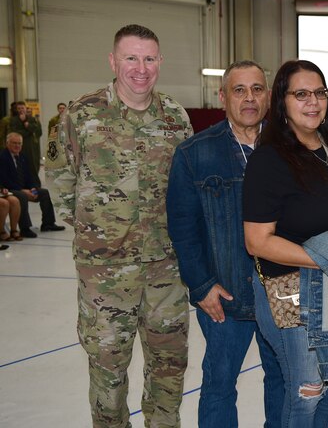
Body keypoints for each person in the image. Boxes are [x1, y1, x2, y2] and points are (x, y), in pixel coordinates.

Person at [48, 24, 191, 427]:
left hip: (166, 270)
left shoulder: (176, 117)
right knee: (108, 376)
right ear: (113, 61)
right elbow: (60, 179)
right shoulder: (82, 114)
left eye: (149, 59)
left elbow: (186, 188)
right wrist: (96, 232)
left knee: (169, 368)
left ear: (160, 62)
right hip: (106, 275)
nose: (140, 69)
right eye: (131, 58)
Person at [243, 59, 328, 427]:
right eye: (301, 94)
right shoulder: (269, 159)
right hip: (291, 288)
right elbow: (257, 241)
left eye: (319, 93)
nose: (312, 102)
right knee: (307, 387)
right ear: (281, 100)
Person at [166, 60, 284, 427]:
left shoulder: (290, 149)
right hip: (224, 298)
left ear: (268, 96)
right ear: (223, 98)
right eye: (239, 90)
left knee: (282, 381)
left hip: (281, 295)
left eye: (257, 89)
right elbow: (183, 228)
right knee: (219, 384)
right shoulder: (194, 154)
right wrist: (201, 286)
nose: (249, 98)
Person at [0, 132, 64, 238]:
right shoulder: (3, 157)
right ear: (7, 143)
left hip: (24, 188)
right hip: (10, 189)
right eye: (14, 143)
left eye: (19, 143)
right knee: (22, 196)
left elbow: (30, 176)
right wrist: (22, 190)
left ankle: (48, 223)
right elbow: (4, 179)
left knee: (44, 193)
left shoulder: (23, 156)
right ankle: (25, 228)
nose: (17, 146)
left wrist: (33, 188)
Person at [9, 100, 42, 187]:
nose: (20, 110)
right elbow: (14, 132)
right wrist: (27, 131)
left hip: (30, 147)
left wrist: (27, 125)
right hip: (18, 147)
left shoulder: (31, 119)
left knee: (33, 166)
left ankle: (36, 185)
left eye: (22, 108)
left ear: (25, 108)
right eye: (18, 108)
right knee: (20, 166)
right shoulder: (14, 120)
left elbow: (36, 130)